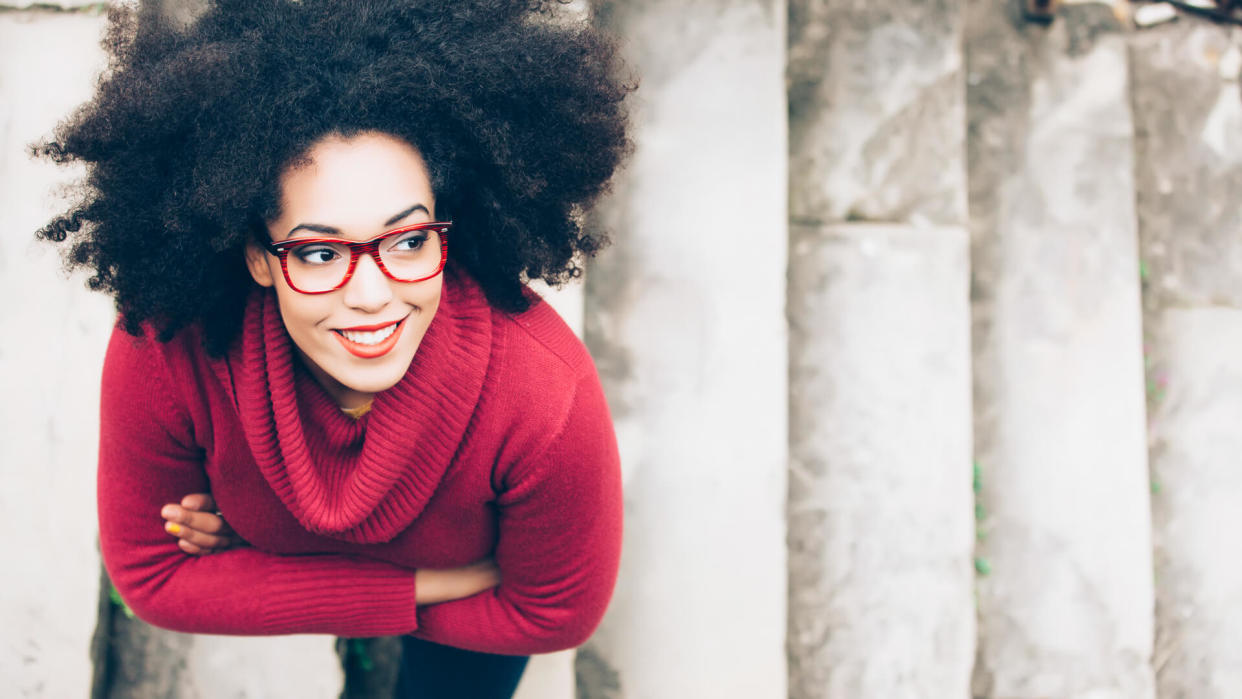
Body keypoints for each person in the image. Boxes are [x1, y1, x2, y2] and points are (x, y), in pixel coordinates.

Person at [36, 1, 630, 696]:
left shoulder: (541, 394)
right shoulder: (170, 345)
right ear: (258, 255)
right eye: (320, 251)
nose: (373, 294)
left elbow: (551, 613)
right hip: (467, 584)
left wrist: (268, 554)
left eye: (408, 240)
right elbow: (155, 578)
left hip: (467, 653)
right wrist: (436, 580)